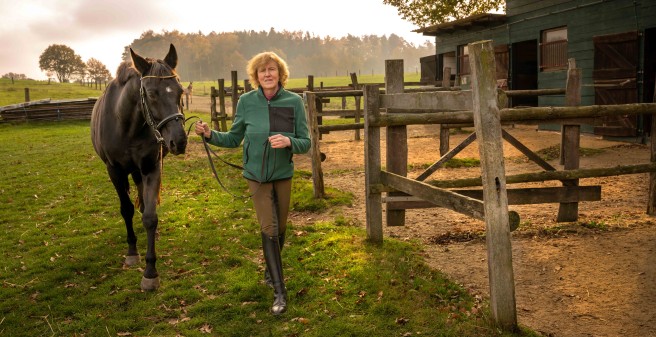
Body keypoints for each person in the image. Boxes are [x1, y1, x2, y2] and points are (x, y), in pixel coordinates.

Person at [195, 51, 310, 315]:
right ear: (255, 76)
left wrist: (290, 141)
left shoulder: (293, 102)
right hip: (256, 176)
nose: (267, 74)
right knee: (269, 227)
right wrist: (211, 134)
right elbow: (234, 138)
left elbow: (307, 142)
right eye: (262, 71)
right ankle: (279, 292)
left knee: (280, 227)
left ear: (280, 74)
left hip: (283, 174)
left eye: (271, 69)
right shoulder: (247, 102)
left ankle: (271, 271)